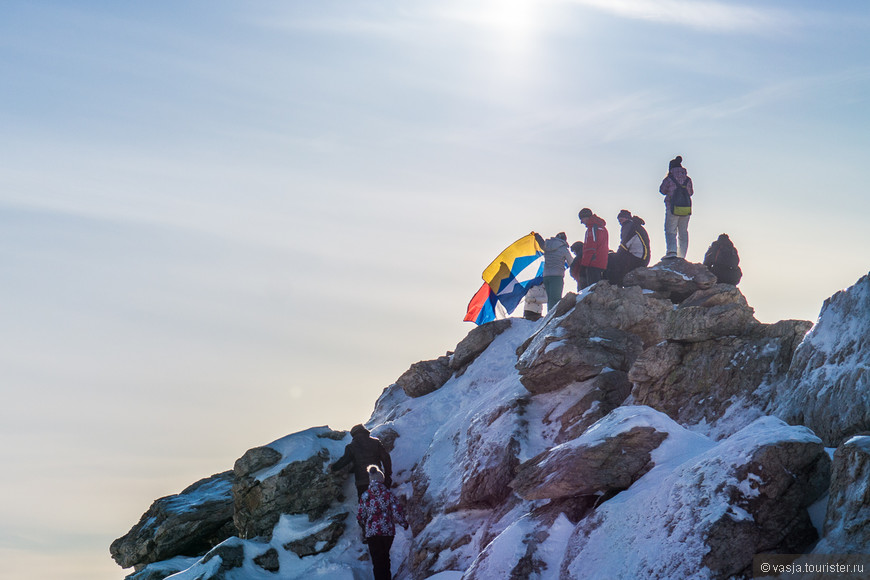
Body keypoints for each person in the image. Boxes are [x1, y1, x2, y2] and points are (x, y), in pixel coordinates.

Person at [357, 465, 408, 580]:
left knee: (377, 561)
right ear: (382, 480)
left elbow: (360, 515)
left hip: (372, 533)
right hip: (387, 532)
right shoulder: (388, 494)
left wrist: (365, 524)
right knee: (385, 558)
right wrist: (404, 523)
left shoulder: (365, 495)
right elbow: (397, 511)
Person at [331, 424, 393, 499]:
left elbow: (344, 461)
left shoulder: (351, 447)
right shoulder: (376, 442)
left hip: (362, 483)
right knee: (382, 503)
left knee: (365, 505)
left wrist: (333, 467)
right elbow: (386, 458)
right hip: (378, 479)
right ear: (364, 431)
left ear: (353, 435)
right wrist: (387, 474)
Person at [658, 155, 694, 259]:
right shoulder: (688, 179)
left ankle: (672, 252)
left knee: (670, 230)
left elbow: (662, 190)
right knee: (683, 232)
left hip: (672, 208)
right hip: (686, 209)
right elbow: (691, 193)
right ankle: (682, 254)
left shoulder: (669, 178)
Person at [607, 209, 651, 285]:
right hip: (642, 257)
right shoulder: (635, 225)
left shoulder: (629, 226)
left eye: (621, 219)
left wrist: (615, 256)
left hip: (639, 258)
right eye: (619, 220)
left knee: (611, 260)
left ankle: (615, 286)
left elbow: (624, 245)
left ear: (627, 218)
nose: (620, 222)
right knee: (615, 258)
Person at [542, 232, 574, 310]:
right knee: (555, 299)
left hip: (546, 275)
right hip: (557, 276)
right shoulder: (563, 249)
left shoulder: (547, 246)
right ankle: (553, 318)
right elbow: (571, 262)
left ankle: (549, 316)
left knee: (550, 299)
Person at [577, 208, 609, 286]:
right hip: (602, 261)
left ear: (586, 217)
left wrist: (584, 265)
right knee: (598, 286)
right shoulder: (602, 228)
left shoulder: (592, 229)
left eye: (582, 219)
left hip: (593, 262)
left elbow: (590, 248)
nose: (582, 222)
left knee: (592, 288)